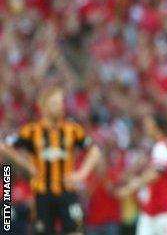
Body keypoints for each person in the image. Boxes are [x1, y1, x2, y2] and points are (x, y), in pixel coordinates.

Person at [0, 87, 102, 235]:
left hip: (67, 191)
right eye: (54, 103)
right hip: (42, 193)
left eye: (61, 103)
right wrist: (26, 165)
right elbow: (4, 147)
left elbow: (94, 151)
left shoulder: (72, 129)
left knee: (75, 232)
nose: (60, 107)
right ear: (43, 107)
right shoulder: (32, 130)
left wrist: (81, 173)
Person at [116, 114, 167, 235]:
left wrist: (131, 187)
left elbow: (155, 173)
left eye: (148, 124)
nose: (145, 127)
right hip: (152, 210)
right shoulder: (159, 146)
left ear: (156, 127)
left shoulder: (163, 146)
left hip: (164, 211)